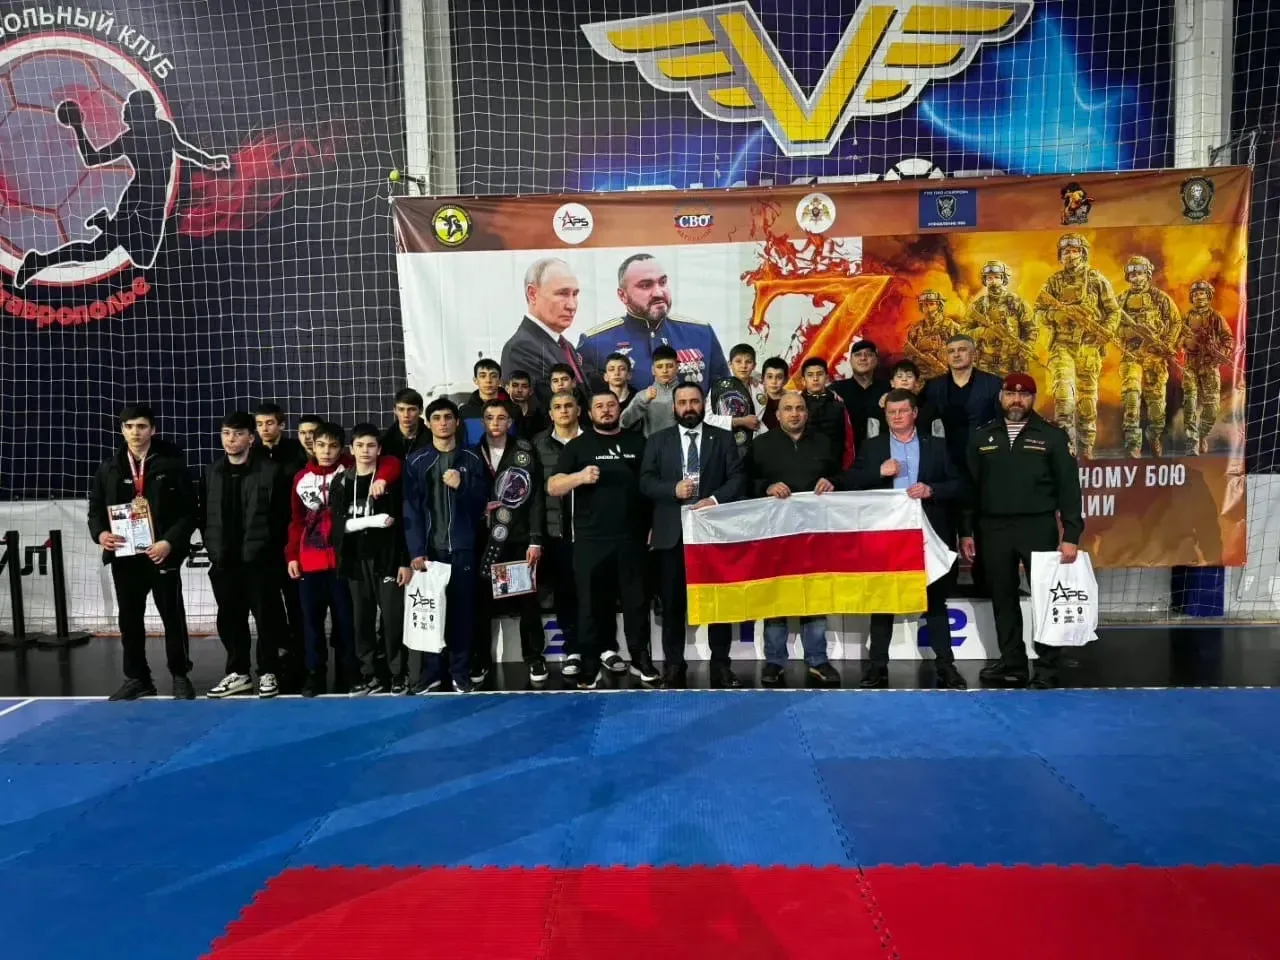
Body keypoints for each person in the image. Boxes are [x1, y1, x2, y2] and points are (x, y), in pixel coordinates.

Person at [14, 89, 230, 289]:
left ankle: (104, 223)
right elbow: (93, 158)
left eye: (130, 107)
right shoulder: (129, 139)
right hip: (134, 204)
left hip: (155, 205)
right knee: (97, 252)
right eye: (127, 107)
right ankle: (39, 261)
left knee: (144, 260)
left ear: (143, 111)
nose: (125, 111)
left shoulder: (164, 129)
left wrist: (209, 160)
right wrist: (78, 126)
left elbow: (184, 149)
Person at [834, 390, 967, 690]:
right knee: (884, 600)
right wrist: (878, 472)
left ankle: (946, 666)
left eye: (902, 411)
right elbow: (850, 482)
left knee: (935, 600)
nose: (896, 416)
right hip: (888, 534)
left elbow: (959, 485)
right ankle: (877, 667)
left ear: (914, 413)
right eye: (891, 412)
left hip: (929, 533)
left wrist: (932, 490)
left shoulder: (937, 446)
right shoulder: (873, 446)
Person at [963, 373, 1084, 689]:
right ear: (1001, 397)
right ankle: (1012, 664)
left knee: (1044, 598)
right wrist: (966, 531)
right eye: (1010, 394)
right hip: (993, 528)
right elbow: (970, 489)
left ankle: (1046, 668)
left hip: (1037, 526)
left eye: (1024, 395)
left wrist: (1071, 535)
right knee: (1002, 598)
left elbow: (1069, 489)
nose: (1016, 400)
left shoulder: (1052, 436)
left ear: (1033, 398)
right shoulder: (982, 436)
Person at [87, 404, 197, 701]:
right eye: (129, 427)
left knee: (172, 616)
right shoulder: (109, 468)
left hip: (160, 554)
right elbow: (95, 510)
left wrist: (169, 542)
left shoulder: (171, 464)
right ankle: (137, 678)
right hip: (125, 557)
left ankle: (180, 675)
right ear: (121, 430)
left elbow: (189, 511)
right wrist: (101, 534)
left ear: (153, 430)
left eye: (141, 426)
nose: (135, 432)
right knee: (129, 619)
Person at [640, 383, 745, 688]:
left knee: (717, 601)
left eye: (694, 401)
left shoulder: (722, 438)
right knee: (673, 604)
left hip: (711, 534)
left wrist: (713, 500)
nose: (688, 407)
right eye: (682, 402)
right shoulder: (658, 440)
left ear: (703, 405)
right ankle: (674, 665)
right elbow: (645, 481)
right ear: (674, 407)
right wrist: (671, 489)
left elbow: (738, 477)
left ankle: (721, 665)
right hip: (672, 535)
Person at [547, 390, 652, 689]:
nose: (606, 410)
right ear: (589, 413)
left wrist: (653, 524)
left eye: (611, 405)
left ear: (619, 408)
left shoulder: (638, 442)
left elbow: (651, 485)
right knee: (590, 605)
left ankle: (641, 659)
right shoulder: (578, 446)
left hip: (631, 538)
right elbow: (553, 486)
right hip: (591, 540)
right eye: (600, 406)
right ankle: (590, 664)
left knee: (636, 603)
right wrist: (579, 477)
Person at [287, 423, 399, 696]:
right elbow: (296, 520)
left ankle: (351, 673)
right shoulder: (301, 478)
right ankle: (315, 674)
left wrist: (383, 478)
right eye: (321, 445)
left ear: (342, 449)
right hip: (310, 562)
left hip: (342, 562)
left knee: (348, 623)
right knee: (311, 624)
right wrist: (292, 555)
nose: (326, 451)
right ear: (312, 447)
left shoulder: (348, 469)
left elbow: (391, 463)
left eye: (333, 446)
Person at [745, 392, 842, 687]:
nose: (794, 413)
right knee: (777, 595)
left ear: (807, 413)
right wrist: (766, 486)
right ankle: (775, 661)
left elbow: (843, 477)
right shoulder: (761, 445)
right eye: (788, 408)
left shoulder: (824, 443)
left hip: (815, 533)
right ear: (778, 415)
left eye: (799, 408)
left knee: (814, 594)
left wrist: (833, 482)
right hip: (775, 535)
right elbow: (745, 481)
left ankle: (818, 660)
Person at [403, 398, 490, 692]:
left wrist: (462, 485)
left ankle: (459, 672)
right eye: (437, 418)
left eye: (448, 417)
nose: (443, 422)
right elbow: (410, 510)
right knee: (431, 615)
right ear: (428, 424)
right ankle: (432, 673)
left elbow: (482, 503)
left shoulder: (472, 458)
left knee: (462, 615)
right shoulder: (416, 461)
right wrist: (416, 551)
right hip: (431, 552)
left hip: (463, 549)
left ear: (456, 422)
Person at [200, 411, 286, 699]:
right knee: (230, 619)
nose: (231, 439)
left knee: (267, 618)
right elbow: (205, 515)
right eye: (226, 433)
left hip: (260, 562)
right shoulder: (212, 471)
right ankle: (238, 672)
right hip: (225, 562)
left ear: (251, 438)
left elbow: (281, 518)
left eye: (238, 434)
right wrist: (214, 550)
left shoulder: (270, 471)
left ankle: (269, 671)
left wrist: (269, 552)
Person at [330, 424, 412, 696]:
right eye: (360, 446)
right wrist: (371, 521)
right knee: (361, 620)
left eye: (371, 445)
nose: (365, 451)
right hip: (356, 561)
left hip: (387, 559)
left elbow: (402, 523)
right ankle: (369, 674)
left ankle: (398, 673)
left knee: (393, 619)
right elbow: (337, 527)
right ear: (351, 449)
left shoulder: (391, 481)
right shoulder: (341, 482)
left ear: (379, 449)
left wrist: (404, 560)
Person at [471, 399, 548, 686]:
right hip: (483, 541)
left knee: (527, 602)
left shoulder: (524, 451)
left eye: (501, 417)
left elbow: (536, 498)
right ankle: (480, 658)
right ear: (483, 422)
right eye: (490, 417)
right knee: (480, 605)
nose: (495, 423)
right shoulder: (471, 453)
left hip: (517, 538)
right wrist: (478, 508)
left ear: (510, 422)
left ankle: (534, 656)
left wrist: (535, 540)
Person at [577, 253, 729, 392]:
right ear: (623, 295)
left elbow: (724, 394)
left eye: (662, 282)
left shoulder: (701, 334)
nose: (658, 292)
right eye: (645, 285)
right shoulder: (595, 343)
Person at [1032, 233, 1121, 458]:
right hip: (1062, 345)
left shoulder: (1097, 280)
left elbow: (1113, 311)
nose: (1070, 255)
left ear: (1083, 253)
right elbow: (1038, 311)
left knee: (1087, 401)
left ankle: (1086, 447)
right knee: (1064, 394)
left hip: (1089, 347)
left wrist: (1106, 332)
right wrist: (1056, 315)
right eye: (1066, 252)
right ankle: (1065, 447)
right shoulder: (1053, 282)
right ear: (1060, 256)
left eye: (1074, 251)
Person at [533, 390, 585, 678]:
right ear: (550, 414)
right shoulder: (537, 445)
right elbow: (535, 494)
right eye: (558, 407)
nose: (564, 410)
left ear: (578, 410)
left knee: (596, 592)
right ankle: (573, 649)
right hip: (555, 533)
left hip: (591, 532)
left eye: (568, 405)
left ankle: (603, 647)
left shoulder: (593, 440)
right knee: (565, 594)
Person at [1117, 255, 1182, 458]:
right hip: (1131, 356)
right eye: (1132, 274)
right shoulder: (1120, 300)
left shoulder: (1160, 299)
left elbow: (1175, 322)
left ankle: (1154, 435)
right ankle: (1132, 444)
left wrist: (1166, 344)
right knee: (1131, 397)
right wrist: (1128, 332)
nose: (1136, 278)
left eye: (1140, 274)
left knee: (1156, 407)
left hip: (1155, 358)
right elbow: (1111, 325)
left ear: (1147, 275)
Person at [500, 257, 588, 405]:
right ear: (532, 294)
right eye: (562, 294)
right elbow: (550, 410)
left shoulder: (564, 345)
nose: (572, 305)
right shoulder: (520, 349)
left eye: (575, 294)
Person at [921, 334, 1003, 476]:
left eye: (962, 350)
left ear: (974, 354)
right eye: (951, 351)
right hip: (946, 463)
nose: (956, 355)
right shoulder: (934, 386)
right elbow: (922, 421)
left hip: (985, 460)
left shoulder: (994, 384)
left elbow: (1002, 422)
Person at [1182, 280, 1235, 455]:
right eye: (1196, 294)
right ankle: (1192, 442)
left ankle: (1201, 435)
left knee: (1212, 407)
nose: (1199, 297)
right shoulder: (1186, 318)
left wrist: (1220, 355)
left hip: (1210, 365)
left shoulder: (1216, 317)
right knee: (1189, 403)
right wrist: (1185, 341)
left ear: (1208, 296)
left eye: (1202, 293)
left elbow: (1228, 339)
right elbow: (1176, 337)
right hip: (1190, 364)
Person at [962, 261, 1035, 376]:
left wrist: (1027, 347)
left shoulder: (1017, 303)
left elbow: (1031, 329)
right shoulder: (978, 306)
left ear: (1003, 279)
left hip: (1012, 366)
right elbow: (963, 332)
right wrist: (982, 332)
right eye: (989, 278)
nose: (993, 281)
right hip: (985, 366)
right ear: (985, 281)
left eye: (997, 277)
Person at [709, 342, 768, 455]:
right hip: (728, 446)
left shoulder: (761, 388)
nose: (743, 366)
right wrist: (740, 421)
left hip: (757, 447)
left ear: (754, 365)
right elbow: (708, 419)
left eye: (748, 362)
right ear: (730, 364)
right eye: (738, 361)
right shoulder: (719, 388)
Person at [832, 339, 888, 452]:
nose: (863, 358)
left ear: (876, 360)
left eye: (868, 354)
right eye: (858, 355)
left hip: (880, 455)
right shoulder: (836, 391)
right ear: (850, 361)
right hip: (844, 455)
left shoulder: (888, 390)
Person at [799, 357, 854, 470]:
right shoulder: (796, 405)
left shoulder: (839, 404)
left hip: (834, 469)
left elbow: (848, 440)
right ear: (803, 380)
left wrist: (846, 471)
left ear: (827, 378)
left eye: (819, 374)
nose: (815, 379)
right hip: (803, 468)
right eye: (810, 375)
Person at [458, 358, 513, 446]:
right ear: (475, 380)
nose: (488, 380)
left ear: (499, 380)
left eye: (493, 376)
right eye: (483, 376)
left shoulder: (513, 410)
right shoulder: (465, 411)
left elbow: (520, 443)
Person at [254, 403, 309, 477]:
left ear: (282, 425)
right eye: (259, 424)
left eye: (269, 423)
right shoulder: (252, 452)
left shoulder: (297, 448)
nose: (264, 429)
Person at [379, 387, 431, 461]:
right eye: (401, 409)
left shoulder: (432, 440)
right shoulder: (384, 441)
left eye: (412, 409)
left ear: (421, 410)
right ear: (395, 410)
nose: (406, 415)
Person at [506, 370, 549, 440]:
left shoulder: (540, 416)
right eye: (515, 385)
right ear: (507, 389)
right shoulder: (500, 413)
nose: (519, 390)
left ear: (531, 391)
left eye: (524, 386)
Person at [601, 352, 639, 425]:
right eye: (611, 369)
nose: (616, 373)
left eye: (622, 369)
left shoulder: (638, 399)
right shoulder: (598, 401)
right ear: (605, 377)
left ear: (629, 375)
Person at [759, 356, 789, 430]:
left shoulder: (792, 400)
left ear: (786, 380)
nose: (774, 381)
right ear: (762, 379)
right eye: (769, 377)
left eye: (779, 377)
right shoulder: (757, 398)